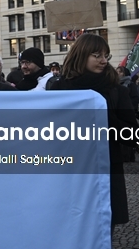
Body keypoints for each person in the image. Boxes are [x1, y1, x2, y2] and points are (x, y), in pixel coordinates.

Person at [48, 34, 133, 227]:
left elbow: (131, 135)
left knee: (104, 229)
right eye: (97, 55)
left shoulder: (116, 90)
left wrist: (104, 116)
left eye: (106, 56)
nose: (104, 61)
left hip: (106, 169)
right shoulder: (60, 88)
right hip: (71, 171)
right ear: (81, 55)